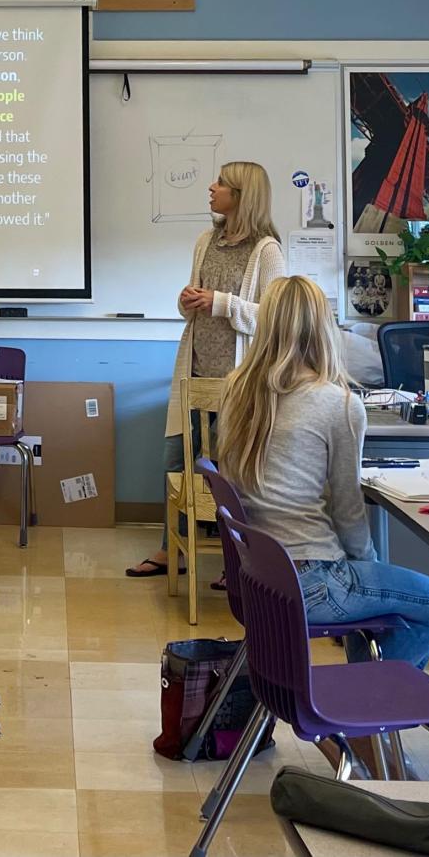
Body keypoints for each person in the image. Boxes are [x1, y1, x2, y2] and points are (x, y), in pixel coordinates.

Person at [216, 275, 429, 672]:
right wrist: (370, 570)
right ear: (323, 328)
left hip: (260, 577)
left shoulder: (235, 390)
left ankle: (361, 713)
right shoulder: (338, 404)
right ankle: (363, 714)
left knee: (378, 589)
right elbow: (348, 511)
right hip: (315, 581)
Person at [127, 160, 285, 577]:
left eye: (221, 184)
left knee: (231, 477)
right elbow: (192, 310)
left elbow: (272, 317)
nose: (211, 189)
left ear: (241, 195)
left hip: (239, 383)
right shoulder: (206, 240)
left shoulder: (267, 251)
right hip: (194, 377)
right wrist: (189, 300)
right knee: (173, 464)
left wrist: (221, 302)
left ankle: (235, 563)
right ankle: (169, 552)